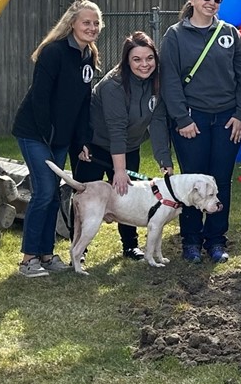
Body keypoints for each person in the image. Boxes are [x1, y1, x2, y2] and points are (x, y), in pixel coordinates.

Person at [160, 0, 241, 264]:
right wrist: (182, 118)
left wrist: (240, 115)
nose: (211, 3)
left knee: (220, 181)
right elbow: (170, 80)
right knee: (192, 183)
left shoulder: (231, 34)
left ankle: (216, 240)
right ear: (192, 0)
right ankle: (190, 240)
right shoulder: (175, 35)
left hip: (227, 119)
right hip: (192, 120)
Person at [12, 0, 101, 277]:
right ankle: (28, 260)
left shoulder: (89, 55)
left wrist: (82, 141)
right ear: (72, 23)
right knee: (45, 191)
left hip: (61, 138)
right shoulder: (54, 52)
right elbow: (41, 98)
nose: (92, 27)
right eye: (86, 22)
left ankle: (47, 255)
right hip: (36, 133)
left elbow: (82, 104)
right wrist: (47, 134)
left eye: (96, 23)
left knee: (52, 195)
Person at [71, 32, 174, 260]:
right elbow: (116, 129)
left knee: (130, 197)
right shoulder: (113, 86)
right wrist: (119, 171)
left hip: (130, 146)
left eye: (149, 58)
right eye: (137, 59)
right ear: (126, 61)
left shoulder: (157, 84)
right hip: (95, 146)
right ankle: (79, 249)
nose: (144, 64)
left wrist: (164, 160)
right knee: (86, 196)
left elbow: (157, 123)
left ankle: (130, 245)